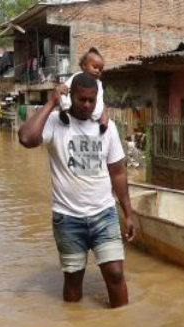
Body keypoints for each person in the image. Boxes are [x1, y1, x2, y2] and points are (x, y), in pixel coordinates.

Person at [17, 72, 136, 308]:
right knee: (73, 280)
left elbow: (118, 173)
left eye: (92, 100)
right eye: (82, 99)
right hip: (68, 218)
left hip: (104, 213)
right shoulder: (54, 122)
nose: (87, 105)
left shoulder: (107, 127)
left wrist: (128, 214)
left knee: (114, 274)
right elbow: (26, 138)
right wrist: (51, 102)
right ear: (70, 97)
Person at [58, 47, 109, 133]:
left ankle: (103, 124)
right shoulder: (77, 77)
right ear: (84, 66)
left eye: (100, 69)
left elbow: (100, 96)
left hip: (94, 108)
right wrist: (63, 95)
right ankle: (64, 113)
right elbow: (66, 87)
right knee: (64, 99)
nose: (97, 71)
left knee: (104, 109)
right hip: (74, 106)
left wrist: (100, 108)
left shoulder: (99, 83)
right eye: (95, 67)